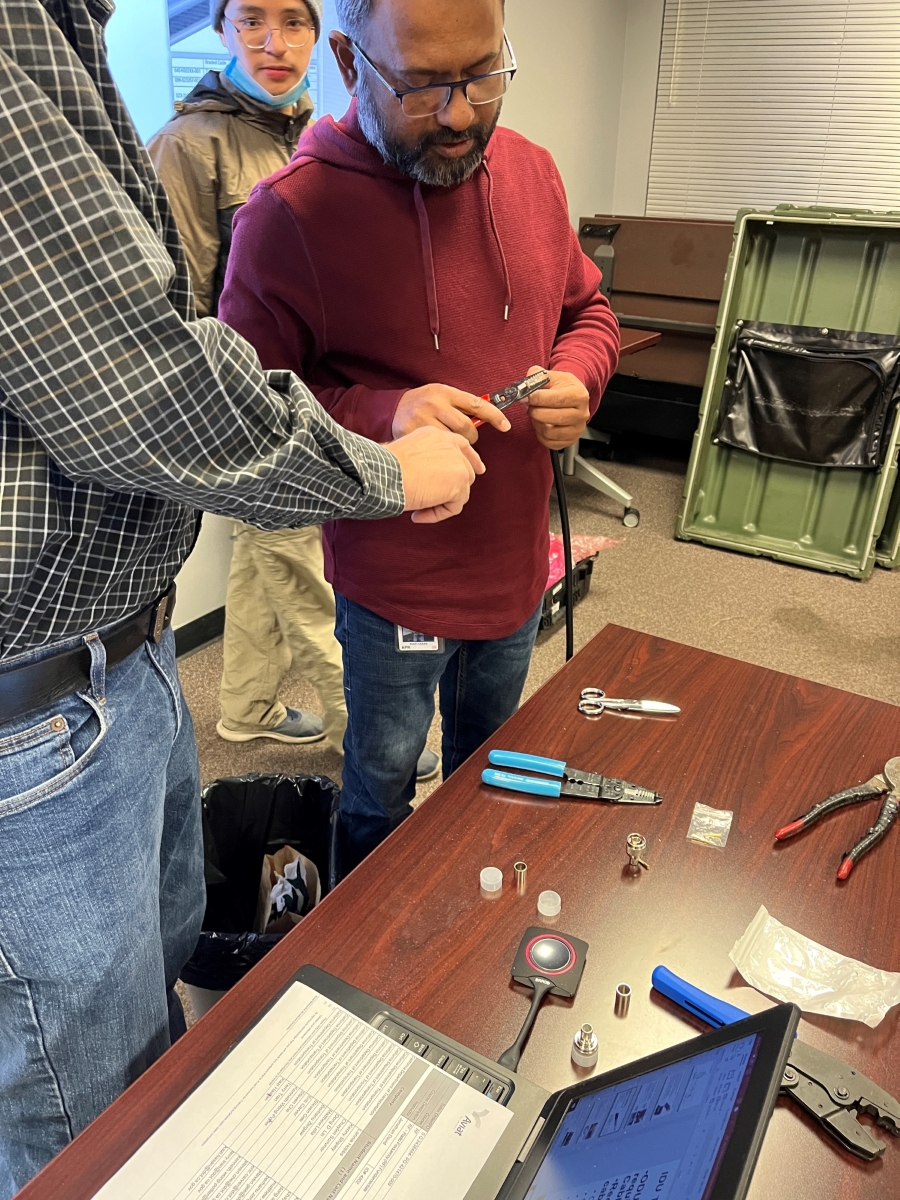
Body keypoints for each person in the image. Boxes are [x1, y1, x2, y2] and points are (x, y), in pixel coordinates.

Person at [0, 2, 482, 1194]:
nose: (458, 108)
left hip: (133, 648)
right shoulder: (236, 163)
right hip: (48, 702)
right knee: (83, 1106)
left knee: (148, 1002)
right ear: (353, 63)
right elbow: (152, 369)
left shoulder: (71, 42)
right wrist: (376, 458)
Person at [219, 0, 620, 870]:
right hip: (392, 584)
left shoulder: (534, 174)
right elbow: (241, 410)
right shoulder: (288, 217)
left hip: (514, 568)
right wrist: (383, 413)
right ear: (351, 62)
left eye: (484, 73)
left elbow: (588, 312)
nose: (461, 113)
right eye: (426, 84)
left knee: (493, 772)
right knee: (382, 783)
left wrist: (577, 378)